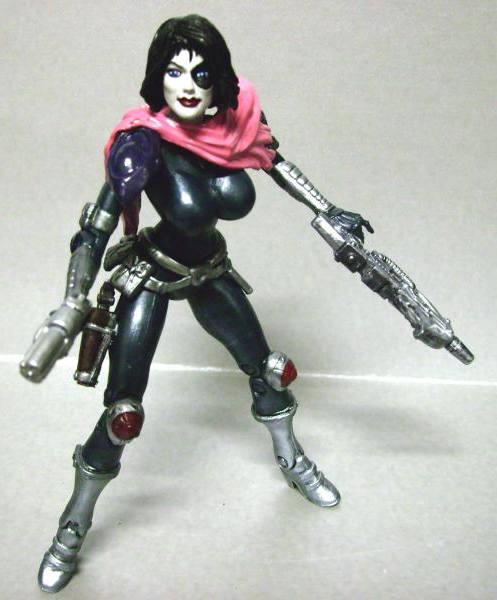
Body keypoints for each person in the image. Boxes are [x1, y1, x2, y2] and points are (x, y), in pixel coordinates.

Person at [29, 14, 373, 594]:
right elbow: (93, 231)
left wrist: (328, 210)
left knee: (271, 370)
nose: (187, 86)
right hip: (153, 276)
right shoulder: (142, 144)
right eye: (173, 71)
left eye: (201, 74)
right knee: (123, 414)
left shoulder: (234, 127)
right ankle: (72, 526)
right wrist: (70, 303)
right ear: (156, 78)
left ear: (219, 81)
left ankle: (292, 461)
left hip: (210, 271)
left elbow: (277, 163)